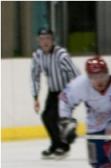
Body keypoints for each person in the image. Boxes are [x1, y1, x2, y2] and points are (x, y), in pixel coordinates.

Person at [30, 28, 81, 159]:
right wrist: (35, 97)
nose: (45, 42)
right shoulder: (38, 55)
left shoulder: (61, 54)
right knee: (46, 117)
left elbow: (75, 73)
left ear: (53, 40)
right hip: (52, 91)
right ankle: (55, 144)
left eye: (47, 38)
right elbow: (34, 76)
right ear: (38, 41)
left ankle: (63, 146)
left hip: (66, 91)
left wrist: (74, 93)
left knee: (54, 117)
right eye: (42, 39)